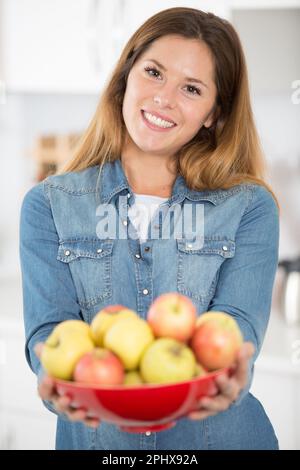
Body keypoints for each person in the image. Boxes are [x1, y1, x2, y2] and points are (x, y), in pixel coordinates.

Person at [19, 7, 280, 450]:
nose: (164, 98)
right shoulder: (48, 204)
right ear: (126, 77)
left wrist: (230, 367)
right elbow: (49, 331)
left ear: (214, 114)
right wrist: (58, 375)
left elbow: (237, 325)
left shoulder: (249, 206)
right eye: (154, 72)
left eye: (191, 88)